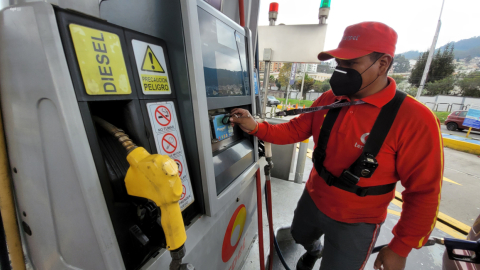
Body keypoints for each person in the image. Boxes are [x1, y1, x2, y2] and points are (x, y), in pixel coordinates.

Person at [229, 22, 443, 270]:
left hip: (358, 222)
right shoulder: (330, 99)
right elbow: (295, 129)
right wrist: (255, 126)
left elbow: (424, 192)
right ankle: (314, 250)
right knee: (299, 236)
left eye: (351, 64)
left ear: (383, 63)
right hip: (313, 198)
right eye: (338, 64)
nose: (341, 71)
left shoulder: (416, 119)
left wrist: (400, 247)